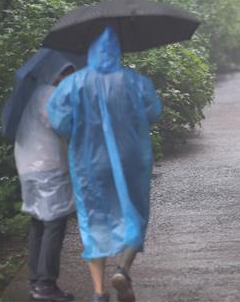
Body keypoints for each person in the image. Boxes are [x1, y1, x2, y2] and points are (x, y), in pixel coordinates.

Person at [47, 27, 162, 302]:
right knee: (133, 211)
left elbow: (59, 122)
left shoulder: (73, 84)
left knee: (93, 219)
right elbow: (153, 112)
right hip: (130, 158)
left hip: (89, 162)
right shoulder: (135, 81)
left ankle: (99, 291)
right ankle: (123, 268)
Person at [15, 64, 77, 302]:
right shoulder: (51, 95)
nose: (71, 78)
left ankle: (36, 282)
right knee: (54, 223)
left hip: (28, 165)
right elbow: (63, 126)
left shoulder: (34, 94)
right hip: (47, 167)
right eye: (68, 73)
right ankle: (46, 285)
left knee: (39, 222)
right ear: (58, 74)